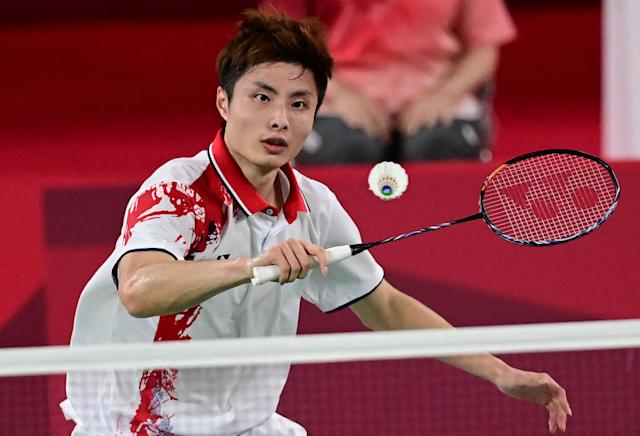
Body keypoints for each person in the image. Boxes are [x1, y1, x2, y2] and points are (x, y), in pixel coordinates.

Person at [61, 8, 570, 436]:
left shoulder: (314, 206)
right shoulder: (180, 190)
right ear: (224, 102)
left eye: (299, 104)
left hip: (246, 426)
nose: (280, 119)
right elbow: (139, 289)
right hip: (141, 425)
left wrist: (499, 372)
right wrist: (252, 266)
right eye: (261, 97)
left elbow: (385, 305)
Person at [264, 0, 517, 163]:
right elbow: (280, 45)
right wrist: (338, 93)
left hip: (435, 92)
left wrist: (445, 95)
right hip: (336, 94)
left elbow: (482, 50)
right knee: (345, 150)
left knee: (436, 148)